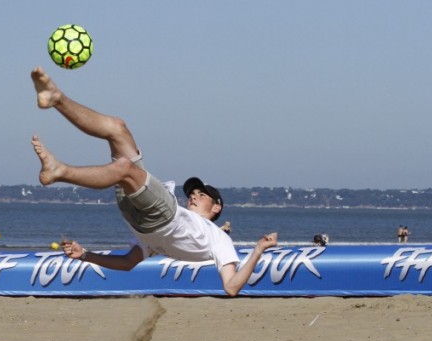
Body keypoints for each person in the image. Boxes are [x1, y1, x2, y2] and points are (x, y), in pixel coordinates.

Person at [29, 66, 278, 296]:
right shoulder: (176, 232)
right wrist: (85, 255)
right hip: (139, 218)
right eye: (193, 192)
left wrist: (257, 250)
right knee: (118, 127)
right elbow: (128, 263)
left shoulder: (219, 239)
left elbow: (232, 287)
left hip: (163, 216)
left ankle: (59, 170)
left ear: (216, 208)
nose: (194, 195)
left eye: (202, 195)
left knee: (125, 167)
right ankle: (56, 98)